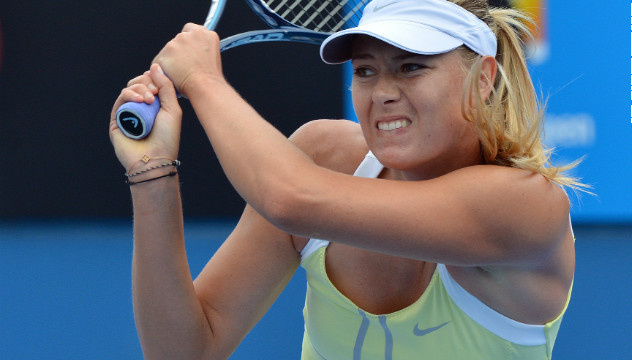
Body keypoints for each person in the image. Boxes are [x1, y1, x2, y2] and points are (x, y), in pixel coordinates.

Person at [109, 0, 588, 358]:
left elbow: (289, 196)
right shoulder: (323, 155)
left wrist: (203, 81)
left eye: (411, 67)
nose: (382, 93)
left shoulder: (526, 207)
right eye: (365, 70)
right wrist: (151, 173)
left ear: (483, 78)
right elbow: (185, 350)